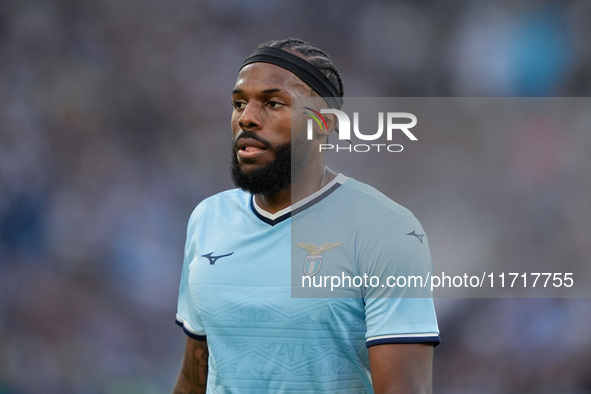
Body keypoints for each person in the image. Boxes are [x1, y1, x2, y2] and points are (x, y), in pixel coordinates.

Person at [172, 38, 440, 394]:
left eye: (273, 103)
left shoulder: (387, 230)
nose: (247, 118)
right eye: (239, 103)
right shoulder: (208, 219)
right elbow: (195, 378)